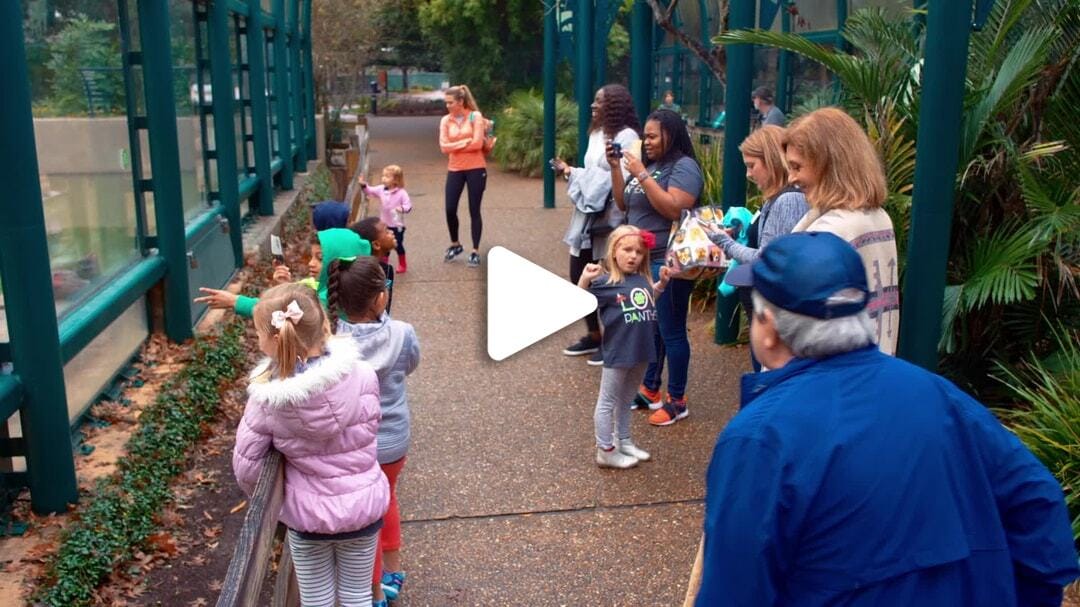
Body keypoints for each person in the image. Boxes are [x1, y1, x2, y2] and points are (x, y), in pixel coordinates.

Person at [692, 231, 1079, 606]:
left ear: (770, 329)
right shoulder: (938, 394)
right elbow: (1037, 501)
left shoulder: (758, 438)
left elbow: (734, 590)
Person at [232, 283, 390, 607]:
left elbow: (247, 466)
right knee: (357, 595)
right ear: (323, 325)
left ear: (274, 339)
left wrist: (275, 502)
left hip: (307, 516)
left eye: (258, 333)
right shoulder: (362, 374)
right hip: (363, 506)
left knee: (315, 598)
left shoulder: (267, 399)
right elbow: (372, 426)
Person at [327, 257, 420, 607]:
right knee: (388, 500)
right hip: (393, 438)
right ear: (381, 298)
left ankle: (371, 585)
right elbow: (410, 364)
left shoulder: (331, 340)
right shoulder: (402, 334)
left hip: (352, 444)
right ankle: (391, 572)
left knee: (364, 518)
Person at [610, 108, 703, 426]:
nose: (645, 142)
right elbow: (623, 204)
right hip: (645, 261)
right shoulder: (650, 167)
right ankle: (650, 388)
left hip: (670, 261)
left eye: (652, 136)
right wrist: (616, 168)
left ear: (671, 134)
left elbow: (674, 208)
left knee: (672, 331)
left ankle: (678, 400)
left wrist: (641, 174)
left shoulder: (684, 167)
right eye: (644, 136)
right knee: (652, 328)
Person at [783, 107, 900, 354]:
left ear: (827, 164)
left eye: (797, 166)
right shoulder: (878, 217)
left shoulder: (830, 231)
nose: (791, 178)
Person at [706, 125, 809, 372]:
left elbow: (768, 257)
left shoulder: (789, 199)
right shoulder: (777, 198)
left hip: (775, 313)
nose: (749, 174)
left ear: (773, 161)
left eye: (752, 166)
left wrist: (725, 243)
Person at [551, 83, 641, 365]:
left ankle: (613, 338)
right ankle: (594, 334)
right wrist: (571, 172)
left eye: (599, 101)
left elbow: (621, 178)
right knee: (578, 273)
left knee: (607, 277)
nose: (593, 105)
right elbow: (592, 171)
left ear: (614, 105)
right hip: (587, 213)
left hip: (611, 217)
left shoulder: (627, 136)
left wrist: (578, 176)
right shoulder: (596, 133)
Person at [578, 226, 671, 468]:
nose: (633, 256)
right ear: (613, 251)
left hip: (641, 349)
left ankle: (624, 440)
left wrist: (660, 284)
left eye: (638, 252)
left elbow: (648, 300)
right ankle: (605, 449)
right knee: (608, 401)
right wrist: (586, 278)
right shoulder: (604, 283)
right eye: (627, 249)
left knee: (627, 398)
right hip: (619, 351)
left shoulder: (641, 278)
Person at [194, 228, 370, 317]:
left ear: (340, 258)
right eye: (312, 257)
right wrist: (287, 287)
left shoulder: (336, 300)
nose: (311, 263)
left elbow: (283, 313)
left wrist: (234, 301)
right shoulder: (355, 289)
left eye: (320, 257)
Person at [439, 84, 488, 268]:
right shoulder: (445, 121)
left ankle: (475, 251)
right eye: (446, 103)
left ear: (460, 102)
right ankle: (455, 243)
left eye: (450, 102)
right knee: (450, 208)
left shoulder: (476, 117)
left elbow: (476, 144)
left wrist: (456, 145)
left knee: (474, 209)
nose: (447, 106)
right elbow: (443, 147)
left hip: (476, 168)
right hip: (455, 168)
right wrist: (463, 142)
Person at [358, 165, 412, 274]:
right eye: (383, 176)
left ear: (396, 180)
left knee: (398, 245)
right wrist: (364, 186)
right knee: (384, 244)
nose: (383, 178)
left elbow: (408, 206)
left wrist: (401, 208)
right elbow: (370, 191)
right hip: (384, 224)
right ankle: (384, 264)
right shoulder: (381, 189)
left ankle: (402, 263)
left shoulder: (402, 193)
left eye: (387, 176)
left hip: (397, 225)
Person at [351, 217, 398, 315]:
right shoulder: (363, 274)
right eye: (386, 231)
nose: (392, 232)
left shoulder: (386, 269)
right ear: (376, 244)